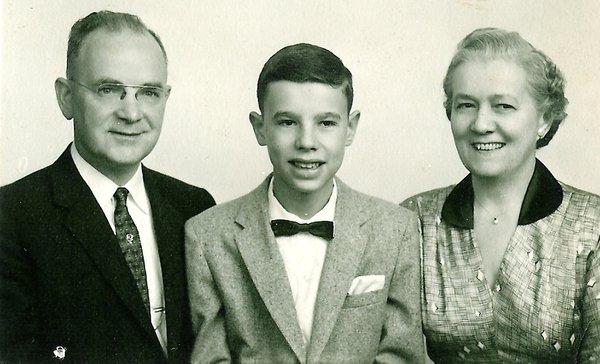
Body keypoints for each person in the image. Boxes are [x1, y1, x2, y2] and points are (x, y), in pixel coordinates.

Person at [185, 43, 424, 363]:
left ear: (350, 128)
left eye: (326, 123)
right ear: (260, 128)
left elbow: (402, 354)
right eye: (287, 122)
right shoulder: (208, 236)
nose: (307, 142)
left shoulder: (395, 229)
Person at [0, 10, 215, 363]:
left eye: (148, 92)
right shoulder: (13, 216)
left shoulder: (194, 206)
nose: (131, 113)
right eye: (109, 89)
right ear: (66, 97)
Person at [402, 28, 600, 362]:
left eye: (503, 106)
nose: (480, 124)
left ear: (544, 119)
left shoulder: (592, 226)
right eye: (466, 105)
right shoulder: (415, 220)